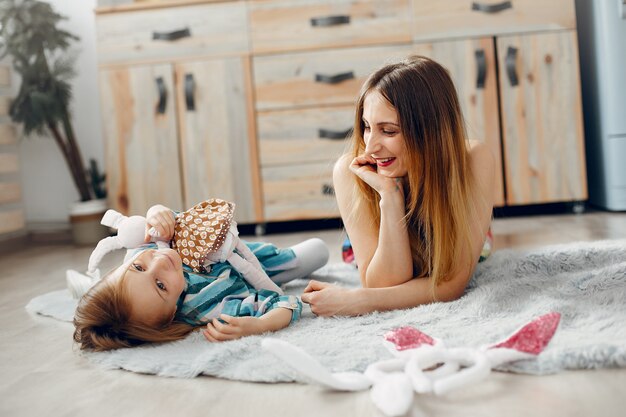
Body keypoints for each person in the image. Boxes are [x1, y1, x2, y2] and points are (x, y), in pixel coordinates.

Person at [301, 55, 496, 316]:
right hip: (375, 243)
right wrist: (390, 197)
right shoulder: (351, 171)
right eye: (367, 127)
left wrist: (358, 300)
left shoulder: (473, 160)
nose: (370, 147)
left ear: (431, 131)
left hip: (457, 235)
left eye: (389, 131)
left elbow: (452, 284)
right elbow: (381, 285)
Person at [73, 202, 329, 351]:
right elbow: (286, 303)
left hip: (227, 247)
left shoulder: (138, 254)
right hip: (251, 271)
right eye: (161, 286)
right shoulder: (209, 305)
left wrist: (157, 213)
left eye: (139, 268)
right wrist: (261, 324)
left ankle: (91, 285)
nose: (159, 261)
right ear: (172, 313)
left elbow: (169, 219)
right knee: (318, 250)